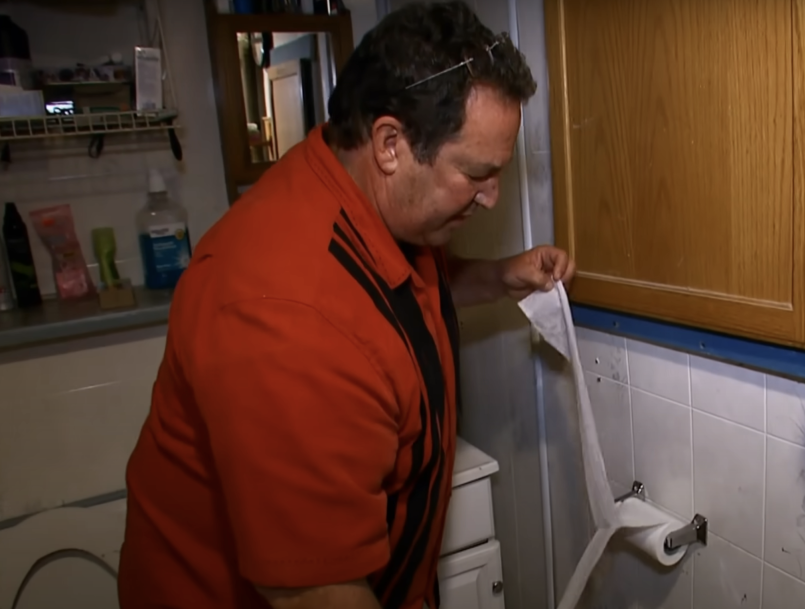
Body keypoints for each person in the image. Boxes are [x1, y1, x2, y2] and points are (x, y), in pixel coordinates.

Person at [118, 2, 574, 608]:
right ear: (389, 144)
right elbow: (318, 594)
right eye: (476, 173)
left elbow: (393, 301)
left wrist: (496, 278)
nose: (491, 198)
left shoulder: (366, 196)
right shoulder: (285, 321)